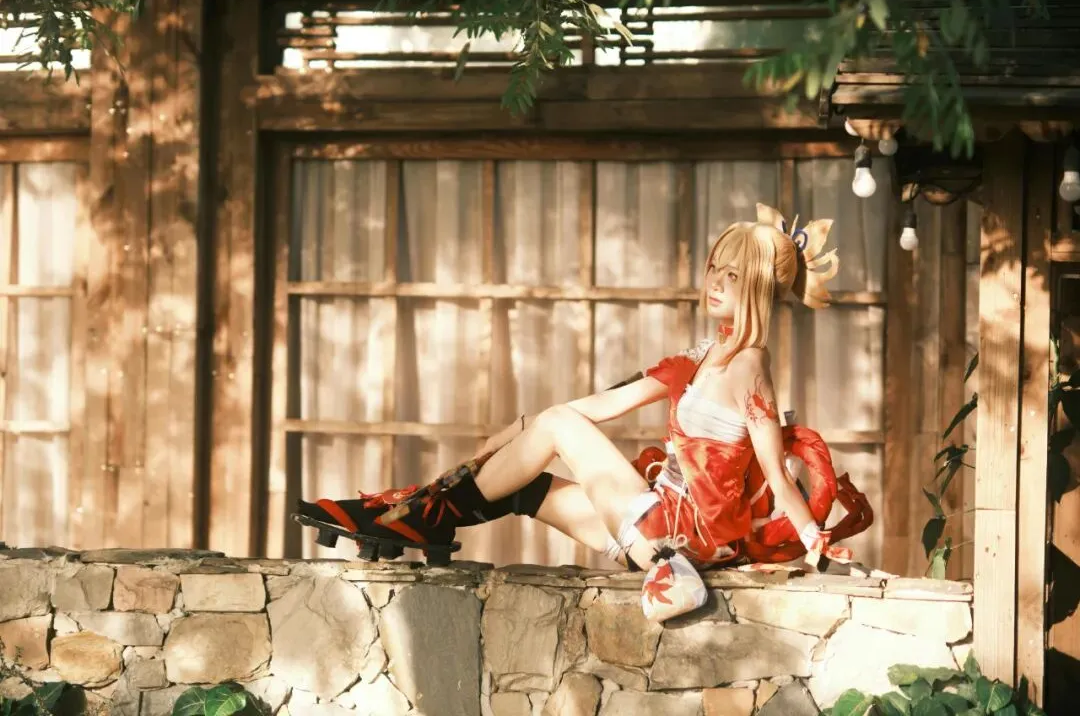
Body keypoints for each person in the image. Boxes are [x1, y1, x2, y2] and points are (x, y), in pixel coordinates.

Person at [296, 203, 865, 621]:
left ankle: (412, 516)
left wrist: (815, 543)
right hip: (650, 526)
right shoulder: (698, 358)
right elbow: (603, 405)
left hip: (678, 534)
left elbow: (775, 476)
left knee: (557, 426)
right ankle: (420, 523)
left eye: (732, 275)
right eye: (715, 267)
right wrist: (510, 434)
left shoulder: (751, 365)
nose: (715, 282)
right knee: (523, 485)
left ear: (759, 287)